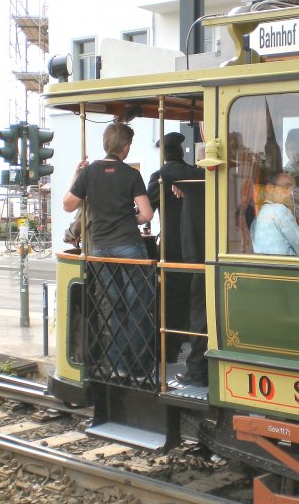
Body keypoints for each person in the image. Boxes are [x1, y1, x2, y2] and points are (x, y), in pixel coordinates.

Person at [63, 122, 155, 378]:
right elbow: (146, 214)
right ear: (125, 148)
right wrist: (130, 218)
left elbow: (68, 205)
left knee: (114, 307)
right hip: (129, 245)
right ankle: (137, 366)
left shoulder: (89, 173)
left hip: (101, 248)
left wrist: (75, 174)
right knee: (138, 305)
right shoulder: (131, 174)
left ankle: (117, 366)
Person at [161, 141, 207, 386]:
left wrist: (182, 182)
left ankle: (197, 371)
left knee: (199, 313)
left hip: (199, 254)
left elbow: (168, 171)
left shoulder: (198, 179)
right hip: (206, 253)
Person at [146, 132, 191, 363]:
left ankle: (169, 352)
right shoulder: (194, 173)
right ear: (182, 152)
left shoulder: (160, 176)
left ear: (164, 155)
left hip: (172, 246)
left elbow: (146, 212)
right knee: (193, 297)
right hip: (197, 247)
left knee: (170, 300)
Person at [251, 172, 299, 256]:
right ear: (270, 188)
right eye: (286, 187)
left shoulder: (257, 218)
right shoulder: (280, 211)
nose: (291, 193)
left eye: (293, 189)